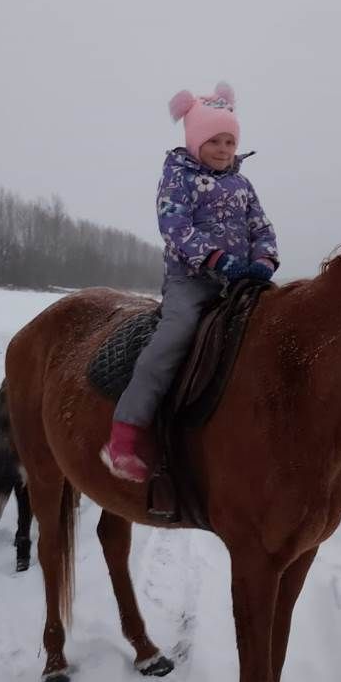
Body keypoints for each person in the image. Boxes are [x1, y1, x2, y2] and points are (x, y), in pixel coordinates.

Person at [100, 82, 279, 482]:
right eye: (214, 140)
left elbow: (261, 227)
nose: (223, 149)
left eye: (229, 141)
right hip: (192, 280)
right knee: (172, 339)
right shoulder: (177, 176)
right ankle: (124, 436)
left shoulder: (243, 186)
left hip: (241, 282)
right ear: (196, 141)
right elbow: (174, 227)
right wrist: (217, 259)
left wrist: (264, 259)